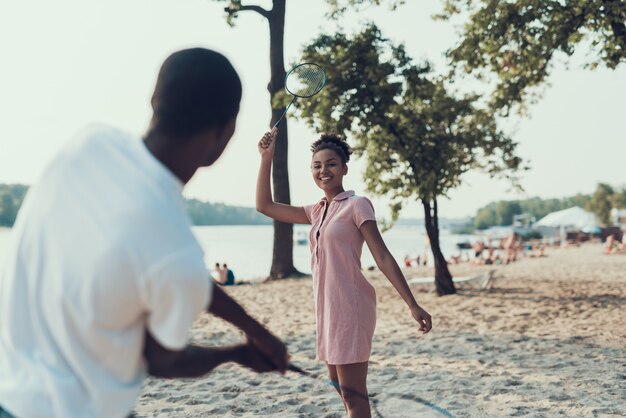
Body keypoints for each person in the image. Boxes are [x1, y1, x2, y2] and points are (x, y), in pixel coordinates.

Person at [0, 48, 288, 418]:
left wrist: (250, 327)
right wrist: (233, 353)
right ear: (225, 132)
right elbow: (165, 361)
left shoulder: (86, 145)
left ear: (154, 99)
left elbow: (179, 276)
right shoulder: (175, 248)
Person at [256, 130, 432, 418]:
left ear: (344, 168)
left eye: (331, 163)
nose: (323, 170)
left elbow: (383, 256)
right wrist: (266, 158)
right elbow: (265, 206)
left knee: (354, 400)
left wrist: (412, 304)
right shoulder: (316, 211)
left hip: (352, 308)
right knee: (343, 392)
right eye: (317, 165)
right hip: (327, 312)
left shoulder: (357, 204)